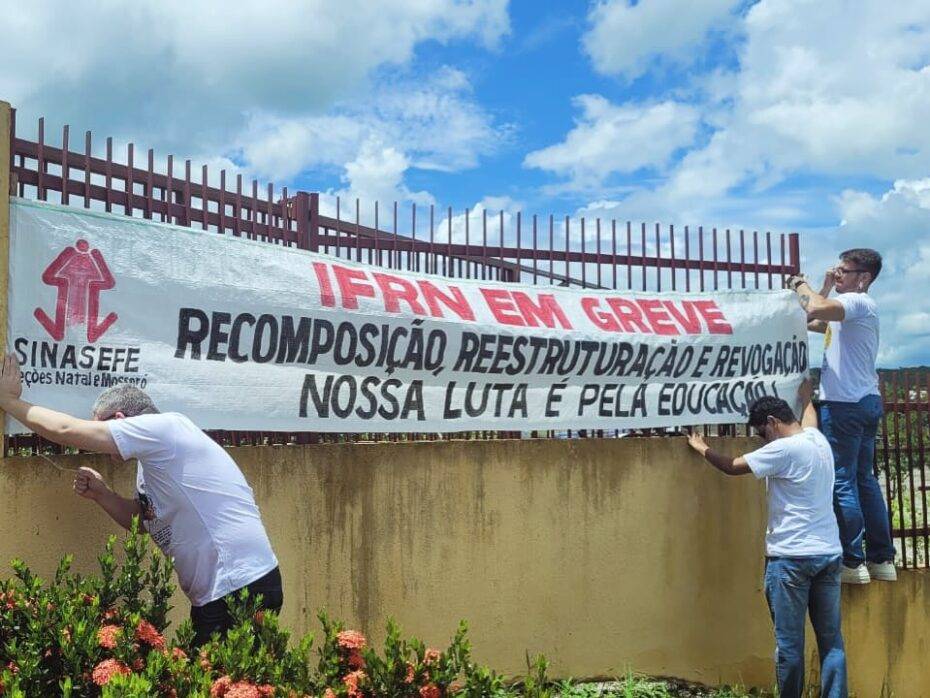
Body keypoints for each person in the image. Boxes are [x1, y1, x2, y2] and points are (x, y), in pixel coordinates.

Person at [0, 353, 282, 647]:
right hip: (221, 592)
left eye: (102, 427)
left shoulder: (164, 427)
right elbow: (143, 521)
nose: (102, 443)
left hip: (240, 586)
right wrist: (102, 494)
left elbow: (66, 430)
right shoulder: (150, 465)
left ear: (120, 420)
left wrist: (9, 401)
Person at [686, 381, 846, 698]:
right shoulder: (818, 441)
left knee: (789, 646)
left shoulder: (783, 449)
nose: (762, 438)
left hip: (791, 560)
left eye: (761, 432)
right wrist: (806, 398)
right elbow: (810, 419)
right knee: (832, 642)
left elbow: (733, 467)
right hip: (829, 554)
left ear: (772, 423)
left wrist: (701, 447)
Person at [787, 249, 896, 584]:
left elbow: (814, 306)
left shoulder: (860, 303)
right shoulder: (850, 311)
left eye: (844, 271)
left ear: (863, 278)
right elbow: (808, 319)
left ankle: (853, 562)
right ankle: (882, 560)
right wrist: (822, 284)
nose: (839, 275)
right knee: (864, 480)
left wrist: (801, 284)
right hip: (864, 401)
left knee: (844, 481)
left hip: (845, 405)